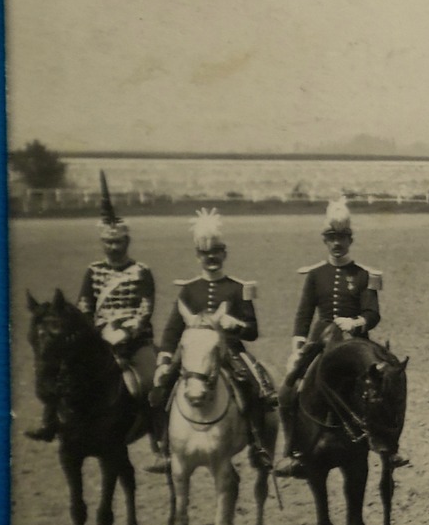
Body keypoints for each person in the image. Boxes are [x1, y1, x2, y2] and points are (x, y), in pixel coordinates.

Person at [28, 173, 166, 466]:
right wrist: (96, 331)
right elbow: (83, 307)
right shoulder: (93, 271)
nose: (114, 247)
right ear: (103, 243)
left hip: (134, 342)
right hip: (101, 339)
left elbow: (145, 308)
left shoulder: (141, 271)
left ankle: (160, 443)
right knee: (62, 372)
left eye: (118, 242)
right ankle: (50, 421)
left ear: (127, 241)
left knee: (152, 384)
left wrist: (127, 332)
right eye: (109, 243)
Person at [275, 198, 408, 476]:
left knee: (383, 385)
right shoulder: (315, 275)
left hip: (354, 341)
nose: (337, 244)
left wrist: (357, 322)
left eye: (342, 238)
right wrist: (297, 345)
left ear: (350, 240)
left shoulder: (364, 275)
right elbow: (303, 313)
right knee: (288, 388)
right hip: (320, 339)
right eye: (331, 238)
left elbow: (373, 312)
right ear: (325, 240)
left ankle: (389, 447)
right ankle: (292, 451)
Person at [146, 208, 274, 471]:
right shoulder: (189, 289)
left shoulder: (238, 288)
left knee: (256, 386)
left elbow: (253, 330)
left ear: (224, 253)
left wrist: (235, 325)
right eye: (205, 254)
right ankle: (164, 447)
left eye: (216, 252)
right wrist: (164, 360)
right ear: (198, 256)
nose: (211, 258)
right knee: (161, 389)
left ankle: (258, 445)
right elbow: (172, 330)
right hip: (193, 355)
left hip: (231, 352)